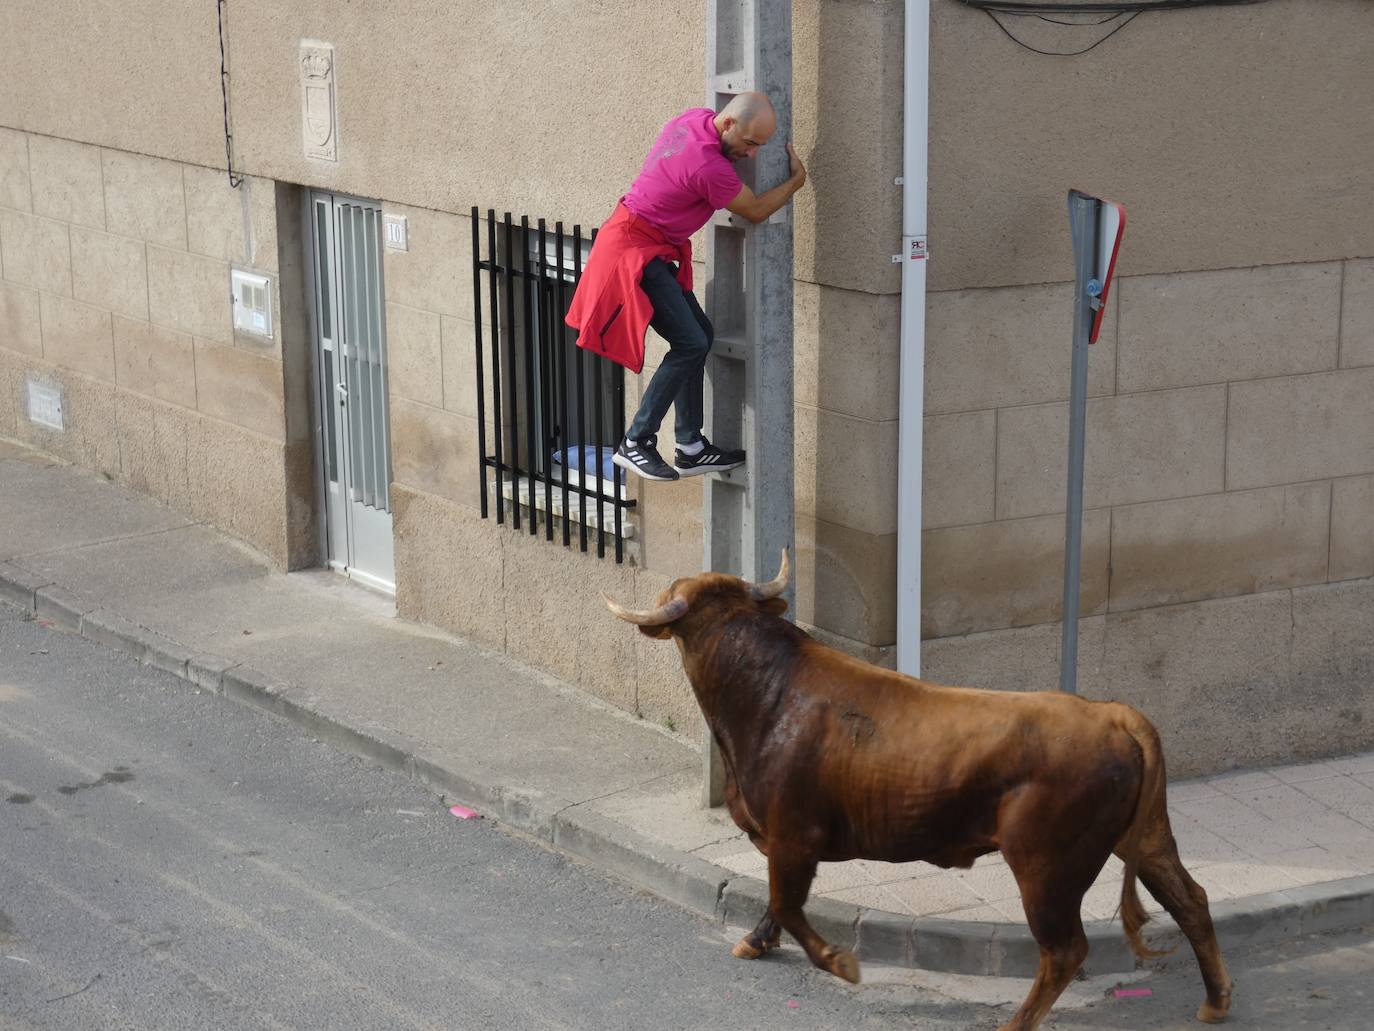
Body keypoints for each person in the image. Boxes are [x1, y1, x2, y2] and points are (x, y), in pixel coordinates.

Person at [565, 92, 807, 482]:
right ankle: (637, 441)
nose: (752, 155)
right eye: (749, 144)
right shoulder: (708, 167)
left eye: (759, 147)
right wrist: (797, 181)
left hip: (647, 244)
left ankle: (691, 446)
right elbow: (757, 210)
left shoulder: (695, 119)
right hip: (634, 250)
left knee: (702, 335)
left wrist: (742, 148)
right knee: (692, 342)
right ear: (728, 124)